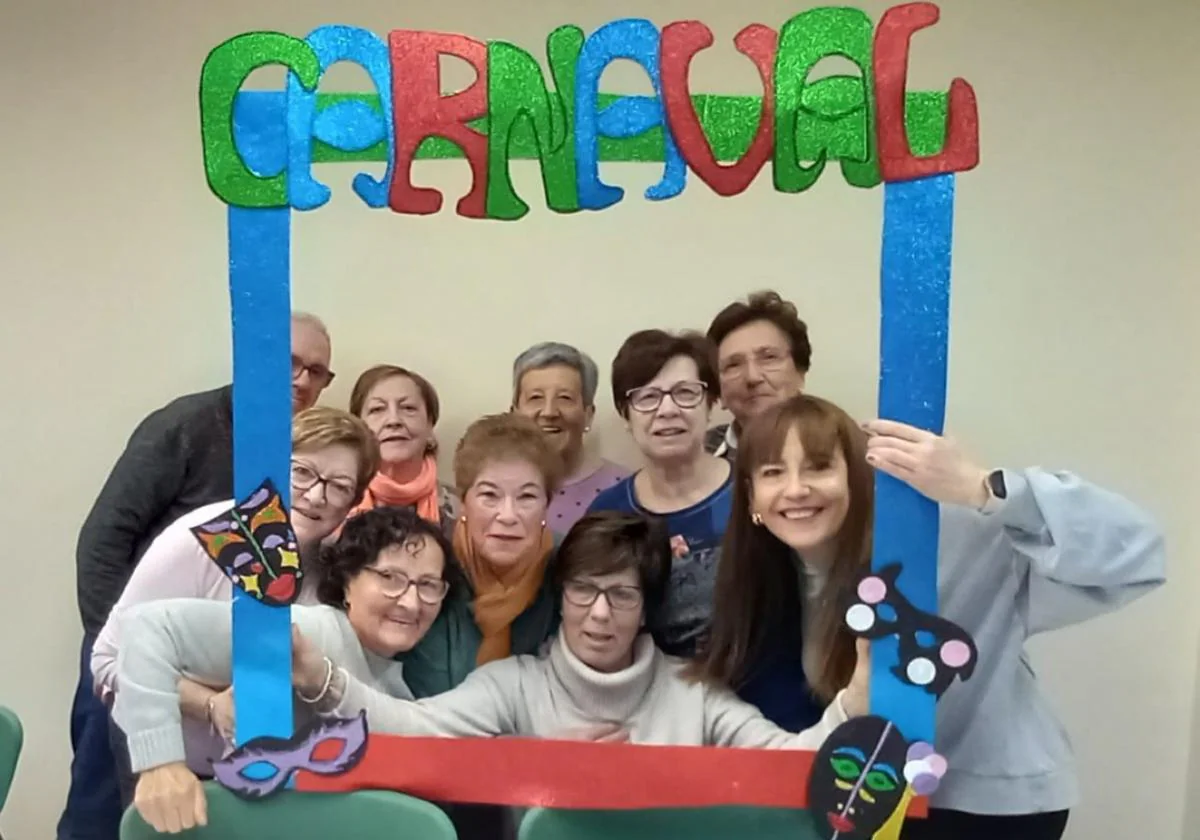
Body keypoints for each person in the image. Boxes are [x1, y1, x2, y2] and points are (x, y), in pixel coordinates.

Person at [114, 512, 870, 833]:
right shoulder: (509, 686)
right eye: (583, 590)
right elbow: (412, 733)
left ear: (646, 607)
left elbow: (794, 764)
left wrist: (855, 702)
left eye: (622, 594)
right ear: (561, 597)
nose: (600, 613)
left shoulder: (695, 694)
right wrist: (318, 680)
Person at [690, 395, 1167, 840]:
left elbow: (1138, 553)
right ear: (750, 498)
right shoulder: (759, 582)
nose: (796, 489)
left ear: (856, 476)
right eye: (774, 472)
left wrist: (981, 486)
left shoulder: (952, 537)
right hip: (879, 798)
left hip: (993, 806)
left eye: (818, 467)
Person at [60, 311, 334, 840]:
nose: (301, 379)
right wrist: (116, 653)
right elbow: (103, 541)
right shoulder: (185, 426)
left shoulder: (302, 452)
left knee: (194, 819)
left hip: (224, 668)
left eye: (317, 371)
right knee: (105, 809)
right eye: (289, 362)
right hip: (128, 655)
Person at [110, 506, 456, 835]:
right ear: (349, 581)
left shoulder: (401, 683)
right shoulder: (311, 632)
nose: (410, 602)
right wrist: (159, 763)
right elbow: (149, 627)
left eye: (428, 585)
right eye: (390, 577)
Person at [92, 407, 378, 800]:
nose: (316, 495)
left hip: (265, 778)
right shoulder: (204, 536)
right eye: (302, 472)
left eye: (339, 486)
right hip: (170, 768)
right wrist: (208, 704)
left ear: (354, 502)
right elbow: (106, 661)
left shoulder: (334, 569)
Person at [588, 330, 731, 658]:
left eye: (685, 392)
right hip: (654, 696)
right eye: (647, 397)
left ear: (710, 404)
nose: (667, 410)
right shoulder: (609, 511)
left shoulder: (755, 492)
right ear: (627, 414)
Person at [400, 413, 564, 699]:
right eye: (490, 495)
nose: (508, 516)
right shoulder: (427, 570)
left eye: (527, 497)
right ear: (463, 501)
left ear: (547, 504)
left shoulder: (570, 567)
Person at [510, 342, 630, 534]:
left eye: (565, 398)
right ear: (514, 413)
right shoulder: (490, 489)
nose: (549, 412)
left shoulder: (625, 492)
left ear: (588, 414)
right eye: (535, 398)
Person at [345, 364, 460, 532]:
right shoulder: (336, 500)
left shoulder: (461, 509)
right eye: (377, 409)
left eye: (408, 408)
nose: (394, 420)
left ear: (430, 425)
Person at [704, 290, 809, 460]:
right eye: (733, 365)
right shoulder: (695, 459)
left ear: (800, 372)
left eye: (769, 357)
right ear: (719, 391)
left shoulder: (847, 447)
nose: (752, 377)